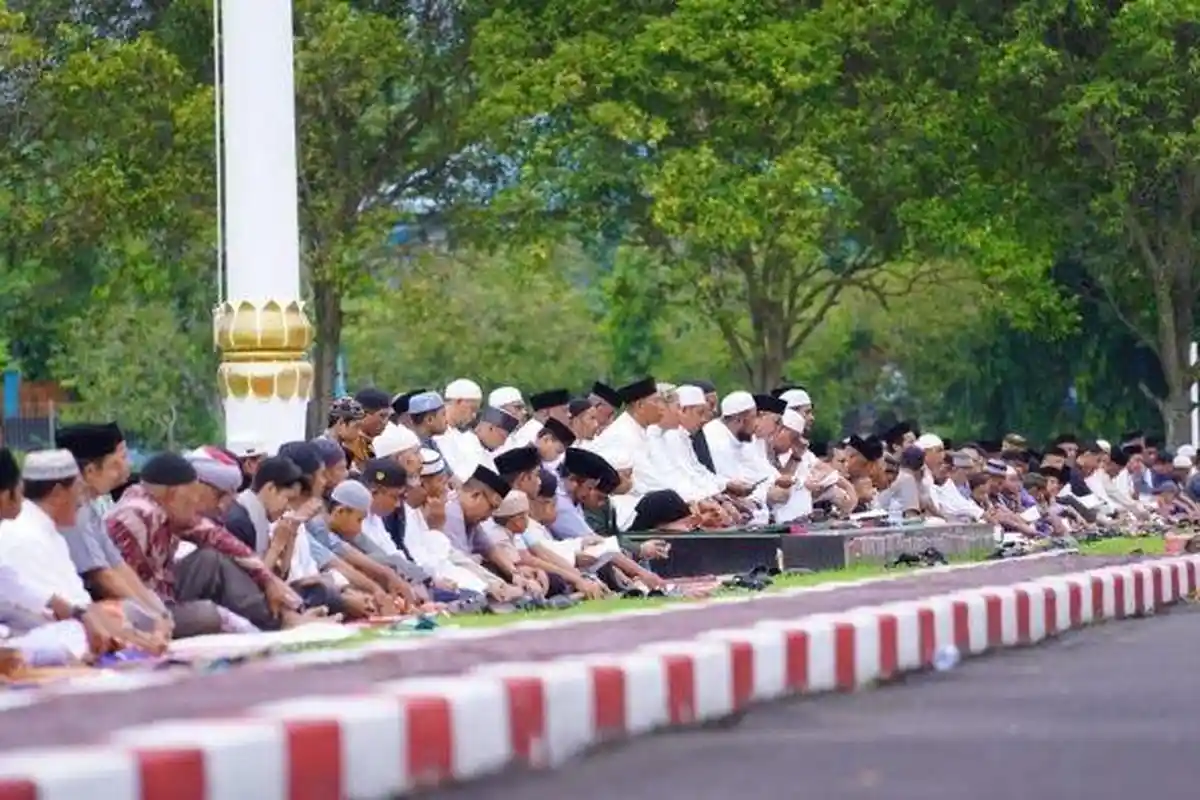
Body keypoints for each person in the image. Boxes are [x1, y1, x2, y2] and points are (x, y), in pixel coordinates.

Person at [106, 452, 304, 632]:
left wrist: (269, 580)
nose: (196, 506)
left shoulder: (168, 510)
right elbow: (124, 588)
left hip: (159, 596)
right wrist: (161, 618)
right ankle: (281, 622)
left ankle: (284, 618)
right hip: (133, 609)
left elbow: (220, 539)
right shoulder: (134, 518)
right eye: (192, 499)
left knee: (211, 560)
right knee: (207, 614)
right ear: (174, 495)